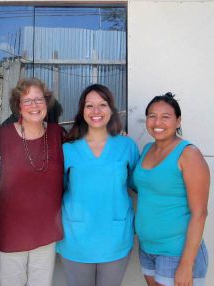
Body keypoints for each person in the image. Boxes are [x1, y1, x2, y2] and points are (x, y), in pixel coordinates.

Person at [56, 84, 140, 286]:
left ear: (111, 109)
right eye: (89, 105)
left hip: (115, 237)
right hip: (75, 237)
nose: (96, 111)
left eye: (102, 105)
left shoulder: (126, 146)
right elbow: (60, 188)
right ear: (81, 110)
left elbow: (137, 183)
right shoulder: (68, 149)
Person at [132, 92, 210, 286]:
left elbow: (200, 213)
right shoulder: (148, 149)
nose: (157, 122)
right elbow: (144, 187)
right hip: (147, 248)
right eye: (152, 116)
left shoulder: (188, 154)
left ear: (178, 121)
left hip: (177, 252)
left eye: (165, 117)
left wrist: (186, 264)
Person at [0, 78, 65, 286]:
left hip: (46, 232)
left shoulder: (58, 134)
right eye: (27, 101)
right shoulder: (2, 137)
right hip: (10, 233)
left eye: (39, 99)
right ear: (18, 106)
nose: (34, 106)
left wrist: (114, 138)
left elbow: (83, 160)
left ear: (47, 103)